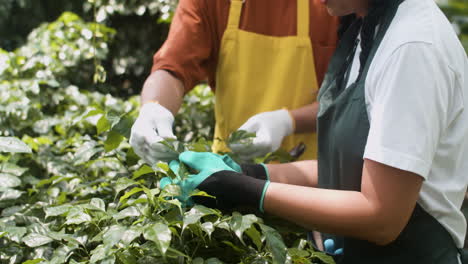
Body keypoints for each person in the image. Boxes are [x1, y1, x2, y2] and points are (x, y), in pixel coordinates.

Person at [164, 0, 468, 262]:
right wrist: (253, 173)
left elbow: (382, 217)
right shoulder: (366, 28)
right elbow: (358, 173)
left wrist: (248, 191)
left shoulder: (412, 48)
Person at [129, 0, 339, 165]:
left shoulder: (333, 5)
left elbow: (355, 101)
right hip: (231, 171)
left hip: (316, 178)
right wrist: (153, 109)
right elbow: (172, 68)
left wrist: (288, 121)